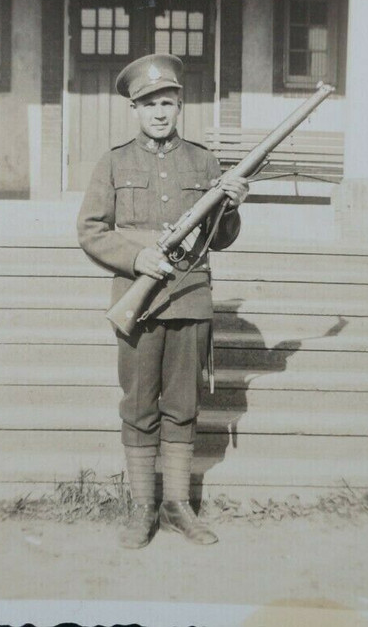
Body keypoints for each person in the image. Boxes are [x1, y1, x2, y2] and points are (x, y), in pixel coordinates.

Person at [76, 53, 250, 549]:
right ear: (134, 108)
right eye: (149, 103)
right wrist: (136, 259)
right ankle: (142, 509)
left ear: (180, 105)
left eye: (167, 102)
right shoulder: (113, 161)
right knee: (138, 404)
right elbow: (90, 230)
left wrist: (232, 207)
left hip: (191, 297)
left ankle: (177, 506)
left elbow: (220, 239)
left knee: (183, 404)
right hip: (140, 303)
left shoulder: (204, 161)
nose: (159, 112)